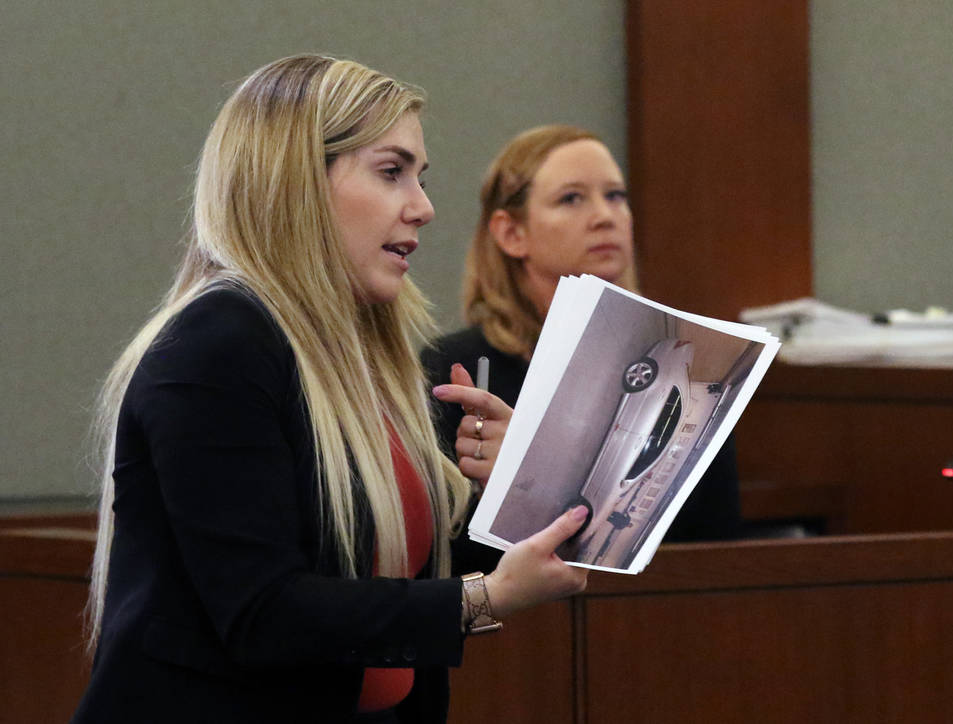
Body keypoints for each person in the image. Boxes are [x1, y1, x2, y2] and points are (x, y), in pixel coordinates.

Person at [72, 55, 588, 724]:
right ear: (299, 183)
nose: (424, 207)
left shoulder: (365, 352)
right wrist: (481, 599)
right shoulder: (217, 345)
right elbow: (263, 613)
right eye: (391, 171)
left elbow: (382, 582)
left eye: (420, 178)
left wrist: (520, 488)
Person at [422, 125, 741, 575]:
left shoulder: (686, 365)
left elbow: (716, 548)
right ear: (511, 233)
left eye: (615, 195)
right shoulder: (455, 371)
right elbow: (440, 561)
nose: (605, 216)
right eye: (571, 199)